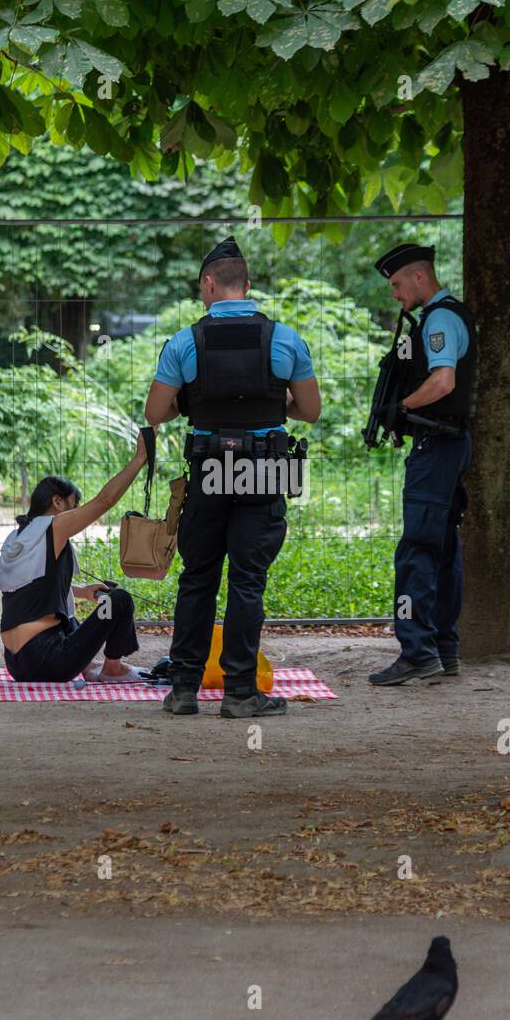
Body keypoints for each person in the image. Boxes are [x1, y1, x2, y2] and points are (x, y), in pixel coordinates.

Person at [145, 237, 321, 718]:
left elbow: (156, 412)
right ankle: (241, 692)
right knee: (248, 581)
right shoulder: (284, 339)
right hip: (264, 468)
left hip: (208, 468)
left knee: (198, 577)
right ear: (248, 285)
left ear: (209, 284)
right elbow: (309, 411)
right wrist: (271, 405)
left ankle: (183, 689)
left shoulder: (185, 342)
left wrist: (196, 402)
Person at [368, 242, 477, 686]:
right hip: (447, 443)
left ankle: (417, 652)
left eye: (396, 284)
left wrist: (399, 408)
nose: (394, 294)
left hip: (437, 447)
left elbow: (443, 380)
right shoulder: (445, 316)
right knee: (443, 549)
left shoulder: (440, 319)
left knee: (415, 551)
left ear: (418, 277)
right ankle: (443, 650)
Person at [0, 437, 148, 684]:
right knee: (119, 601)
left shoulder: (18, 536)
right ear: (57, 502)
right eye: (74, 506)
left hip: (16, 664)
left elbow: (33, 589)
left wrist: (83, 592)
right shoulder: (52, 527)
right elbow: (105, 501)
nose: (77, 512)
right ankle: (112, 669)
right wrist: (139, 459)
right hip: (48, 661)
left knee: (66, 615)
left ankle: (88, 667)